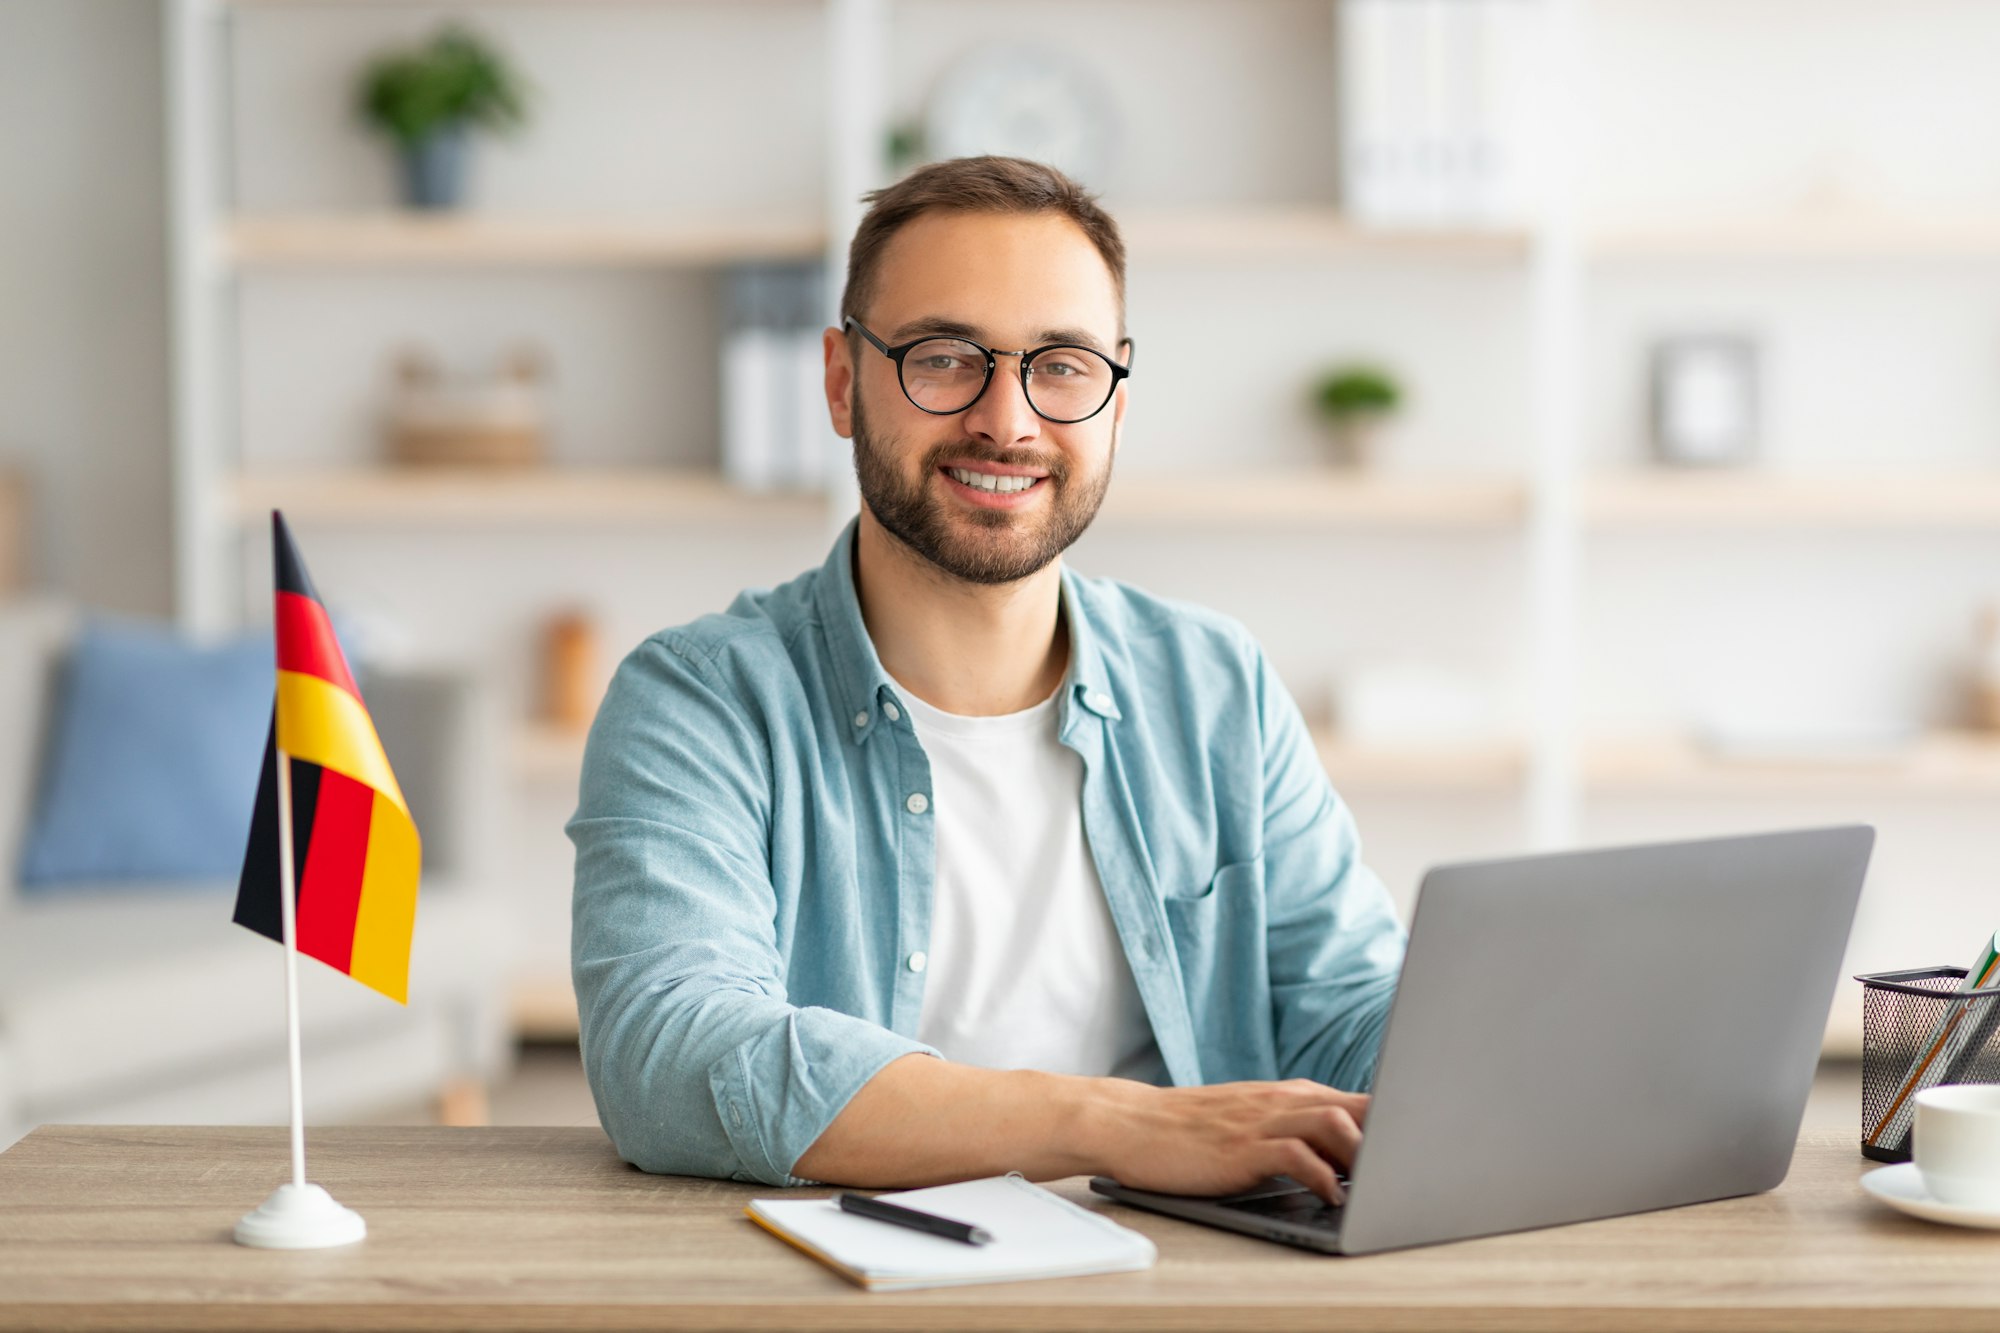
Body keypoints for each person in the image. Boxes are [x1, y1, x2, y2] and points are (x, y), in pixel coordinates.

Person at [569, 156, 1407, 1204]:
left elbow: (1343, 1008)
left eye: (1060, 364)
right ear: (840, 380)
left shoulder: (1213, 684)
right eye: (944, 356)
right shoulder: (699, 701)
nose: (1006, 420)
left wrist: (1525, 1041)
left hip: (1186, 1282)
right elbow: (674, 1058)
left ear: (1114, 396)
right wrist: (1115, 1123)